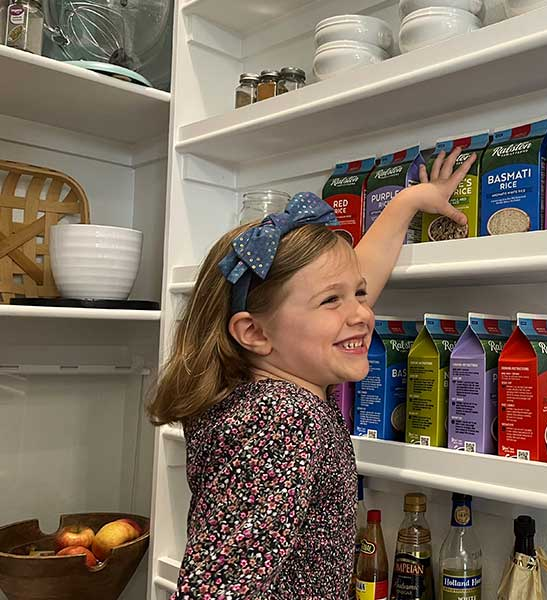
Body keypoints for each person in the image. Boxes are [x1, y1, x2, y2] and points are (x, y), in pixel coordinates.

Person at [147, 148, 477, 598]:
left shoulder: (243, 390)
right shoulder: (284, 419)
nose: (362, 313)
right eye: (331, 301)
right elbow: (219, 588)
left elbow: (343, 293)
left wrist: (409, 202)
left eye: (359, 294)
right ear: (254, 333)